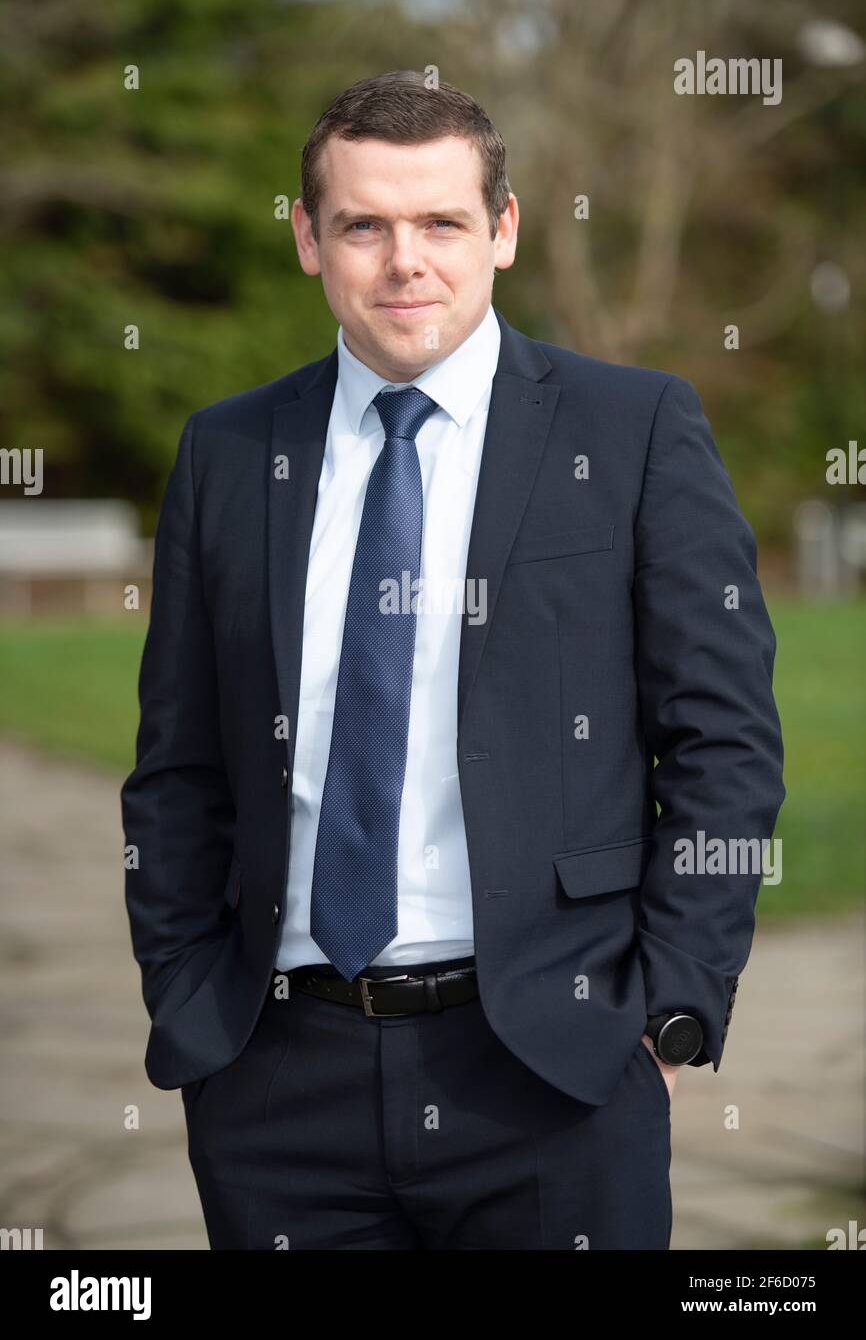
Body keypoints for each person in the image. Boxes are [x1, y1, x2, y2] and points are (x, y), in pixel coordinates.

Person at [121, 69, 785, 1250]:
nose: (403, 261)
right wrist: (184, 992)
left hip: (554, 1066)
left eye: (440, 222)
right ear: (306, 240)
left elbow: (722, 739)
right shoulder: (228, 451)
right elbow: (176, 763)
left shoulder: (629, 429)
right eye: (362, 225)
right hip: (277, 1076)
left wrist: (669, 1011)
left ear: (505, 230)